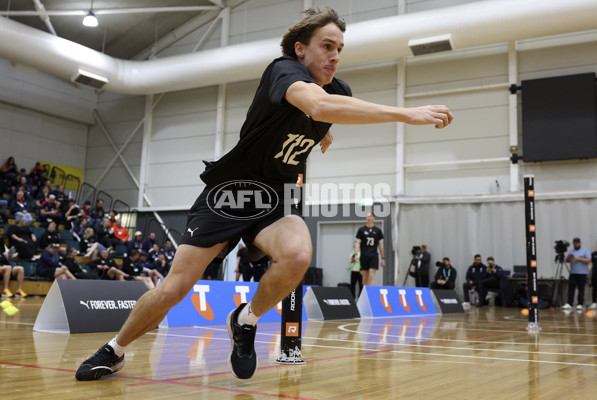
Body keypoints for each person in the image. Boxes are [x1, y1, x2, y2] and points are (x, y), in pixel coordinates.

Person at [75, 7, 452, 382]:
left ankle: (245, 319)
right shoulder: (284, 70)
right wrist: (406, 113)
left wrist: (324, 132)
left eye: (339, 47)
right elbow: (316, 105)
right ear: (301, 49)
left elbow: (324, 113)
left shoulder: (339, 91)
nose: (335, 55)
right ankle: (115, 349)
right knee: (174, 288)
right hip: (231, 191)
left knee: (298, 255)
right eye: (326, 46)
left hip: (277, 198)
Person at [562, 237, 591, 310]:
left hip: (582, 273)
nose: (575, 245)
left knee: (581, 289)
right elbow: (567, 260)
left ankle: (580, 304)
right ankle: (569, 303)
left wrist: (577, 258)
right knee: (571, 289)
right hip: (573, 273)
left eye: (577, 244)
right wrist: (570, 258)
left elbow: (588, 260)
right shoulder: (572, 251)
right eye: (574, 244)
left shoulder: (585, 251)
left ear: (580, 243)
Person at [590, 239, 597, 310]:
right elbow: (591, 264)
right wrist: (588, 273)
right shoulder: (593, 254)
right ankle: (594, 303)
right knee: (594, 289)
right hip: (595, 275)